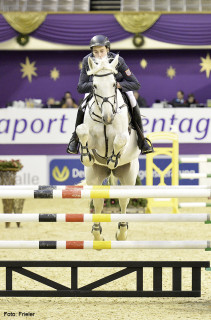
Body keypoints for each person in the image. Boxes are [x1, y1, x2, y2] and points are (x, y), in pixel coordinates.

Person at [66, 35, 153, 155]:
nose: (99, 55)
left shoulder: (118, 60)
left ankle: (142, 139)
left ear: (107, 49)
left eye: (102, 51)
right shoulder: (87, 60)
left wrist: (117, 85)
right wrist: (99, 85)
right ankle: (74, 139)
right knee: (82, 106)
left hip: (117, 88)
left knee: (133, 101)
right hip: (97, 90)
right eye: (95, 52)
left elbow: (135, 84)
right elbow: (80, 87)